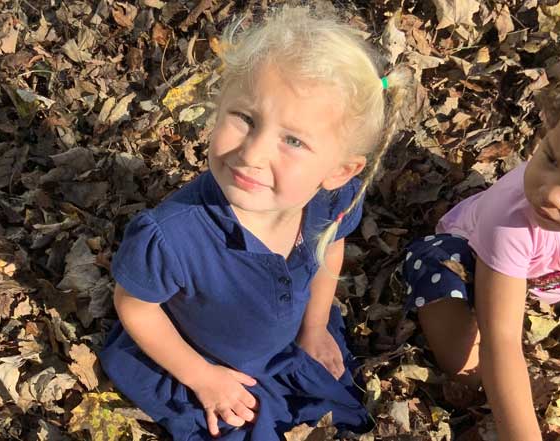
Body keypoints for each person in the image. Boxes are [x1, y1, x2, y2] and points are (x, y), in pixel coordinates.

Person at [99, 7, 410, 440]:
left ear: (339, 170)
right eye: (245, 118)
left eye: (293, 140)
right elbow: (134, 304)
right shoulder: (173, 235)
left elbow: (330, 246)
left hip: (287, 336)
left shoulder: (332, 199)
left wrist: (315, 326)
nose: (252, 153)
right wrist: (203, 377)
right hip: (202, 358)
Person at [400, 67, 560, 440]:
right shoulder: (511, 219)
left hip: (551, 284)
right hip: (472, 260)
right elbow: (501, 341)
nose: (549, 192)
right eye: (549, 158)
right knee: (467, 367)